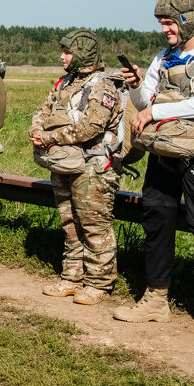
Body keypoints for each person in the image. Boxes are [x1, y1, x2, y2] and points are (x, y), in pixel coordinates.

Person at [114, 0, 194, 352]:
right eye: (162, 24)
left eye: (169, 23)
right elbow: (143, 102)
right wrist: (138, 86)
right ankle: (155, 300)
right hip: (163, 150)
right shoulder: (163, 57)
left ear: (188, 20)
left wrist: (154, 113)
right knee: (156, 217)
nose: (165, 30)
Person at [29, 30, 124, 306]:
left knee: (94, 226)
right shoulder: (65, 82)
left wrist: (49, 137)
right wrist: (36, 128)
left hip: (93, 168)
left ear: (82, 54)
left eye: (67, 52)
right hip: (64, 163)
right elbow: (43, 110)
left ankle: (99, 283)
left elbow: (90, 127)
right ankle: (72, 277)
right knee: (69, 222)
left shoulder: (103, 86)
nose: (62, 56)